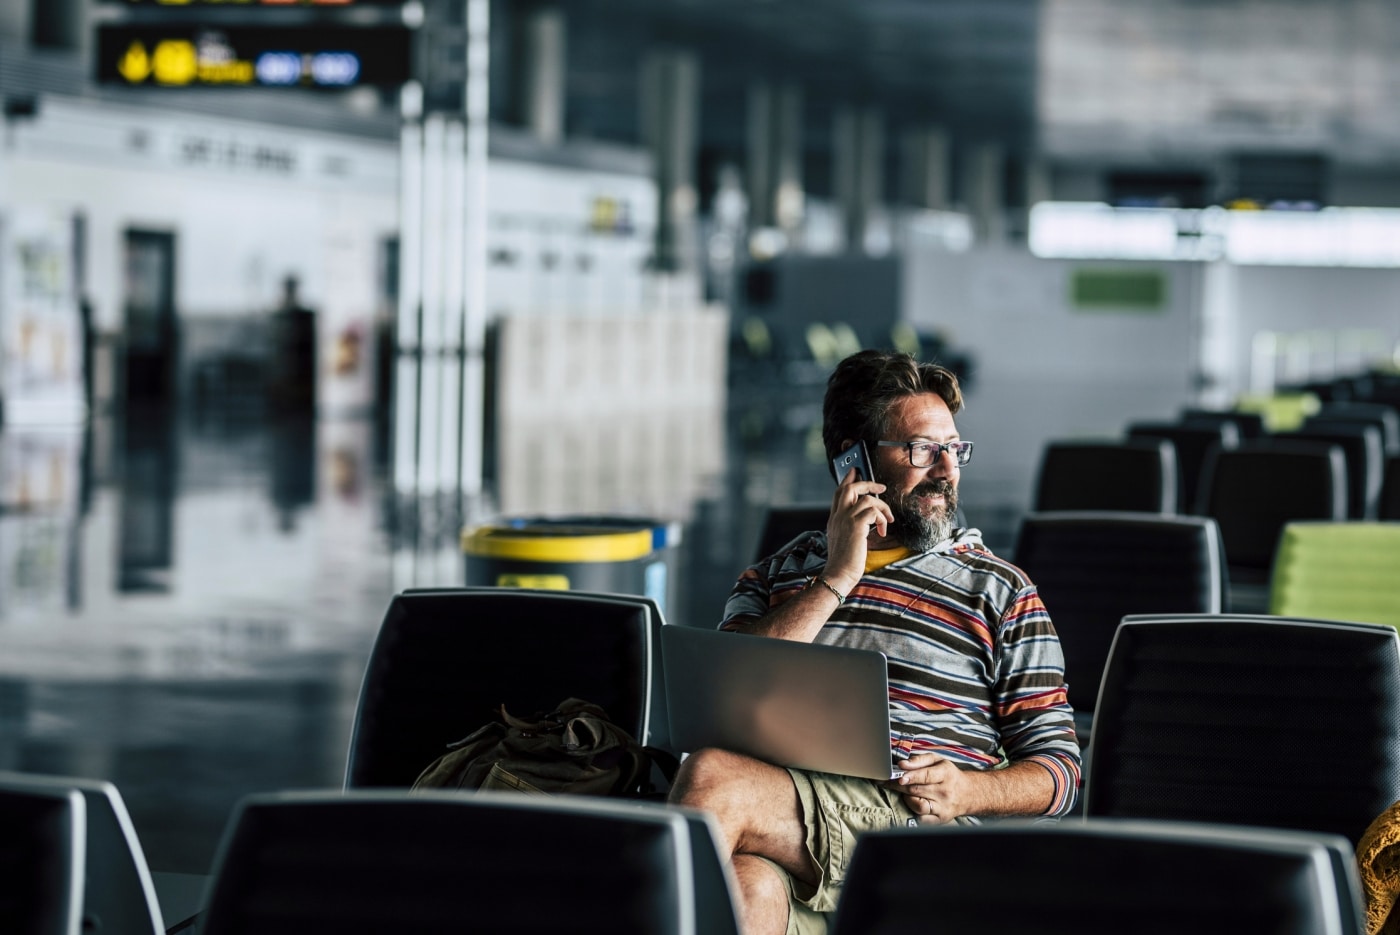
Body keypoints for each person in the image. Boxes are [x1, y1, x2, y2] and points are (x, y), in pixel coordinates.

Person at [668, 349, 1081, 935]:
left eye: (953, 448)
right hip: (792, 820)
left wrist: (968, 791)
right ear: (853, 465)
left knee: (713, 780)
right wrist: (836, 578)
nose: (945, 468)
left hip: (914, 827)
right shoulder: (775, 578)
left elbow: (1061, 772)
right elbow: (719, 702)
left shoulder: (1000, 591)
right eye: (921, 449)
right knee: (746, 887)